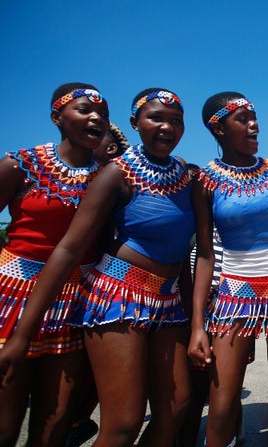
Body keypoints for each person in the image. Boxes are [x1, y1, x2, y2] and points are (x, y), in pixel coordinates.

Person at [0, 88, 195, 446]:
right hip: (71, 295)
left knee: (172, 406)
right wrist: (21, 334)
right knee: (117, 422)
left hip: (125, 301)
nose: (167, 126)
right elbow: (70, 247)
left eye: (175, 121)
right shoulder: (104, 173)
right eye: (155, 118)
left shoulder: (172, 175)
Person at [189, 92, 268, 447]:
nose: (254, 124)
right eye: (242, 118)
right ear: (218, 129)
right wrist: (198, 326)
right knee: (223, 407)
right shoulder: (205, 181)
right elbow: (206, 255)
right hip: (233, 294)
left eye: (254, 116)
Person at [0, 83, 109, 447]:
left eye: (102, 114)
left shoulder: (111, 176)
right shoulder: (19, 165)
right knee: (6, 417)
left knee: (57, 420)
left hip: (74, 303)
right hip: (13, 297)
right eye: (84, 110)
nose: (96, 118)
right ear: (56, 117)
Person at [65, 121, 131, 447]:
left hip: (104, 286)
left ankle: (79, 420)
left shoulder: (123, 185)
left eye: (111, 150)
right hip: (57, 284)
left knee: (88, 376)